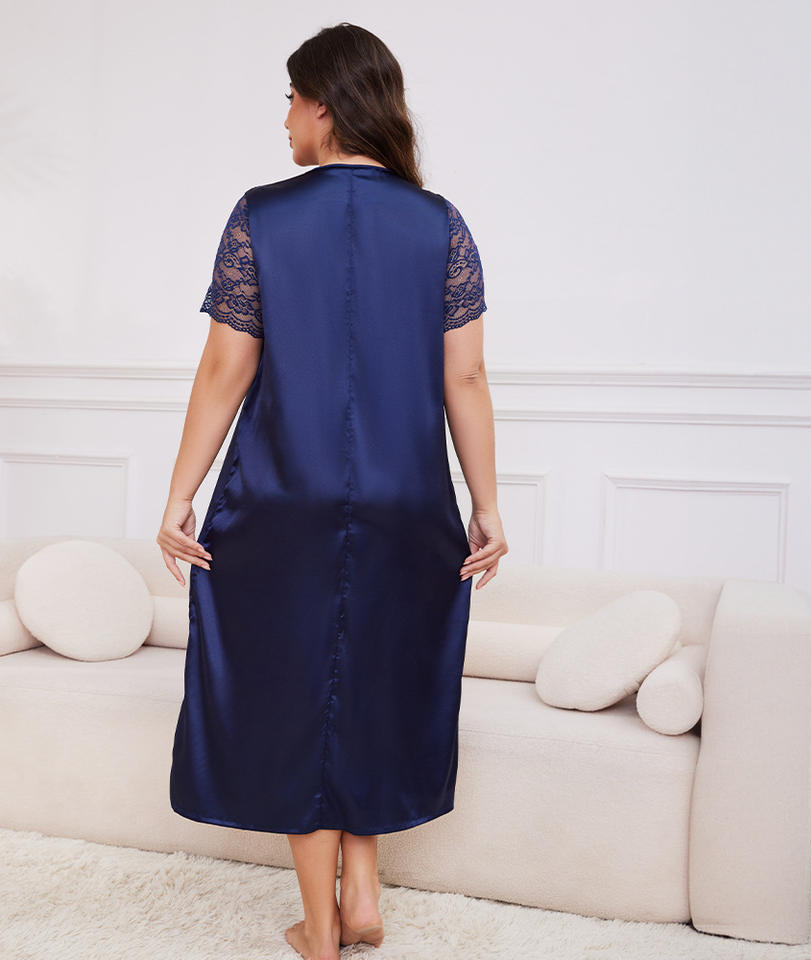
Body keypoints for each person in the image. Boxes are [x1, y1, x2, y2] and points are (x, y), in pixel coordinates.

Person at [157, 22, 508, 960]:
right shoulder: (440, 224)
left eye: (289, 101)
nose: (284, 120)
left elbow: (226, 367)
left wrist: (181, 491)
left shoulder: (260, 217)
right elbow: (466, 378)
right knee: (373, 682)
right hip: (408, 502)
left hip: (281, 496)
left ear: (323, 104)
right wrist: (485, 504)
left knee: (295, 692)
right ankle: (364, 902)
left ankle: (319, 926)